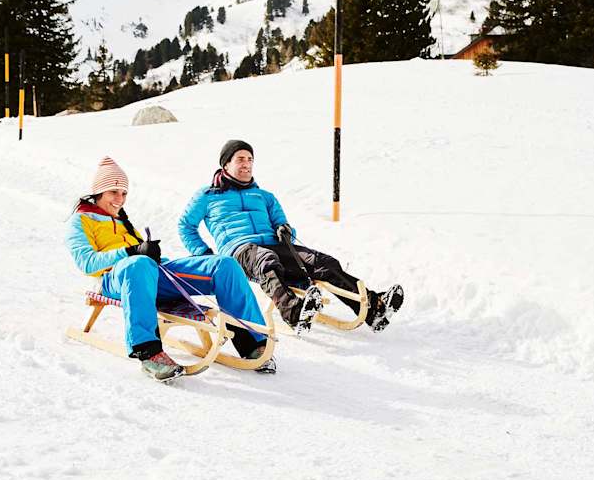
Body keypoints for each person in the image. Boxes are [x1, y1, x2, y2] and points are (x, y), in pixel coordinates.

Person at [66, 155, 274, 382]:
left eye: (124, 193)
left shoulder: (123, 221)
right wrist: (132, 252)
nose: (120, 199)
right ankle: (148, 352)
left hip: (150, 273)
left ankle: (254, 342)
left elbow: (143, 259)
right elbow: (86, 263)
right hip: (114, 280)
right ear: (98, 192)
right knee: (139, 264)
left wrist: (149, 252)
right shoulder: (81, 221)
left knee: (224, 265)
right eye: (113, 192)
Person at [178, 140, 404, 335]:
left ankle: (374, 307)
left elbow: (283, 224)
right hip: (240, 250)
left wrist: (285, 230)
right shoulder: (208, 196)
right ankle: (293, 311)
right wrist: (205, 255)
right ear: (226, 163)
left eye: (249, 159)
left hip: (275, 244)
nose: (246, 164)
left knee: (323, 263)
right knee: (266, 261)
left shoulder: (264, 196)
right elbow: (185, 226)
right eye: (240, 159)